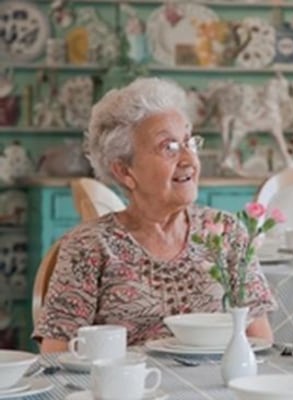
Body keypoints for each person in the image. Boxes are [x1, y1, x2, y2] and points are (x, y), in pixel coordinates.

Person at [34, 77, 277, 351]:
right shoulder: (88, 246)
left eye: (189, 143)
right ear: (125, 171)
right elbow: (55, 355)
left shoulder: (225, 231)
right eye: (169, 147)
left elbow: (260, 343)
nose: (189, 160)